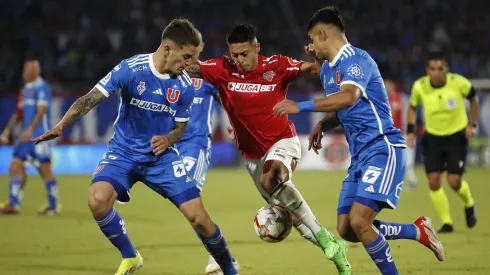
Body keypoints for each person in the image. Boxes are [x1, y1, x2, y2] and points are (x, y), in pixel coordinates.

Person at [32, 19, 239, 275]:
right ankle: (131, 257)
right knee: (97, 201)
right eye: (185, 56)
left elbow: (180, 129)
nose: (189, 64)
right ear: (167, 49)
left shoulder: (184, 85)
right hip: (123, 153)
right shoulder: (130, 69)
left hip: (160, 158)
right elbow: (90, 99)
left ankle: (230, 269)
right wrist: (62, 125)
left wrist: (168, 139)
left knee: (199, 218)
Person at [273, 6, 444, 275]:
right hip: (360, 157)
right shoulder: (328, 70)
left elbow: (349, 97)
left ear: (322, 34)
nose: (310, 46)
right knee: (347, 229)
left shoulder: (356, 60)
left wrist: (301, 107)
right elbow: (343, 110)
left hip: (383, 148)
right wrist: (323, 124)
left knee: (360, 220)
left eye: (312, 39)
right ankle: (416, 230)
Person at [186, 24, 351, 274]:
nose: (239, 60)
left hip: (283, 141)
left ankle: (327, 240)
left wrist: (316, 55)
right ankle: (337, 253)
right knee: (293, 218)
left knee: (272, 176)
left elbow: (315, 70)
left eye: (244, 54)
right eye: (235, 55)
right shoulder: (221, 68)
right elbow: (188, 67)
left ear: (256, 48)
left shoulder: (278, 65)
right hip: (251, 157)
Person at [175, 30, 240, 274]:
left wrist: (233, 121)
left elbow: (228, 97)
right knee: (189, 207)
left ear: (200, 47)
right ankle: (223, 257)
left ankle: (220, 259)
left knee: (190, 200)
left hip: (196, 145)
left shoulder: (207, 75)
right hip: (171, 148)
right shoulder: (169, 75)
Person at [407, 51, 478, 233]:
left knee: (454, 181)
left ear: (447, 69)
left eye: (440, 68)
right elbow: (413, 107)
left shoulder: (458, 82)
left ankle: (469, 203)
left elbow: (473, 98)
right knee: (433, 181)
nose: (437, 72)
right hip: (433, 138)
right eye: (433, 69)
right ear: (427, 70)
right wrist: (411, 131)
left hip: (456, 137)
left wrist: (472, 123)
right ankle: (447, 222)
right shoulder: (420, 86)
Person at [0, 60, 59, 216]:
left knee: (44, 169)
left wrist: (30, 130)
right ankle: (14, 204)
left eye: (27, 70)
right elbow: (18, 113)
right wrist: (7, 130)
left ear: (35, 71)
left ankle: (53, 207)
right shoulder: (25, 89)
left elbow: (41, 111)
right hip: (26, 138)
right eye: (25, 69)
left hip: (41, 136)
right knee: (15, 166)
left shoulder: (42, 88)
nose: (24, 73)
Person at [385, 79, 418, 189]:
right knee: (395, 160)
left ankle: (412, 182)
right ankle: (397, 182)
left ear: (391, 87)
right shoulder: (389, 98)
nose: (384, 88)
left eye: (386, 86)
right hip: (396, 134)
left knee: (406, 160)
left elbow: (392, 116)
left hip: (403, 134)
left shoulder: (396, 98)